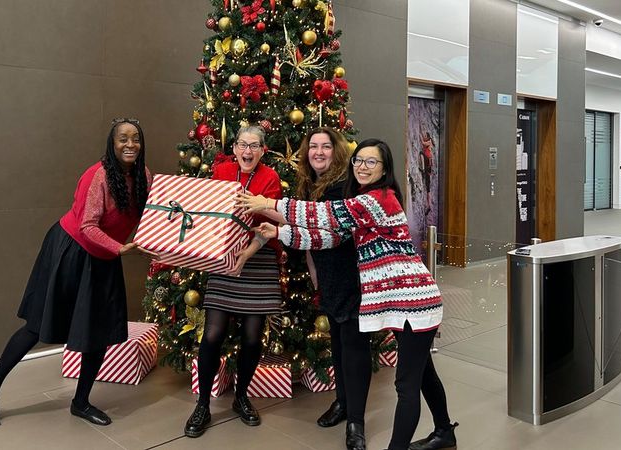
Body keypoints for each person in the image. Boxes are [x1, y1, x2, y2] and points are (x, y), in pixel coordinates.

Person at [236, 138, 458, 450]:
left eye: (371, 162)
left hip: (415, 303)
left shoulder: (379, 199)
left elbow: (324, 214)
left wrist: (269, 204)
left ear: (384, 170)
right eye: (359, 161)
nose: (363, 167)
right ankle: (445, 432)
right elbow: (330, 237)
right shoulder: (362, 202)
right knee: (422, 374)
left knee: (406, 385)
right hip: (401, 303)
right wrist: (281, 232)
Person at [0, 118, 156, 428]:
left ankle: (81, 402)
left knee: (97, 331)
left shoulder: (143, 176)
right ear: (112, 145)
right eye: (122, 139)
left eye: (135, 139)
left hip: (105, 256)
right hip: (71, 251)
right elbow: (87, 226)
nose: (130, 144)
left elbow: (153, 214)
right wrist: (121, 249)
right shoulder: (97, 176)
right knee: (36, 326)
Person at [183, 125, 283, 438]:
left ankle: (241, 396)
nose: (248, 151)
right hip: (225, 258)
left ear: (263, 150)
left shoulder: (271, 179)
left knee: (253, 338)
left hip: (258, 257)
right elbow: (211, 215)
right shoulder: (221, 171)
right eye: (242, 144)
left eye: (254, 145)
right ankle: (202, 405)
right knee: (212, 334)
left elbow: (268, 229)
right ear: (235, 147)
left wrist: (246, 254)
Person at [295, 127, 371, 450]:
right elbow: (308, 231)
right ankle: (342, 402)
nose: (319, 152)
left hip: (351, 275)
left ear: (336, 151)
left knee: (353, 348)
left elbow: (332, 232)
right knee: (338, 343)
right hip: (328, 275)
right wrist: (312, 266)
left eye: (326, 146)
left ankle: (356, 422)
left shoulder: (342, 186)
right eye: (313, 146)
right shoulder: (309, 184)